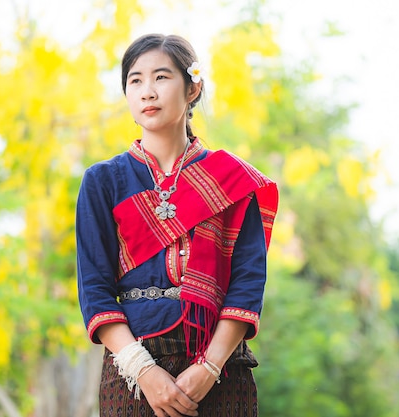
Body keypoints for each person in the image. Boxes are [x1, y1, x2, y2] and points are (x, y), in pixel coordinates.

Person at [76, 33, 278, 417]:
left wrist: (208, 369)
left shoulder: (232, 180)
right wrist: (144, 372)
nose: (147, 91)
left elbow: (247, 284)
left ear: (192, 88)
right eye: (135, 80)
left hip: (221, 372)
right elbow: (95, 291)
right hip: (132, 374)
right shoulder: (103, 182)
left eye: (161, 77)